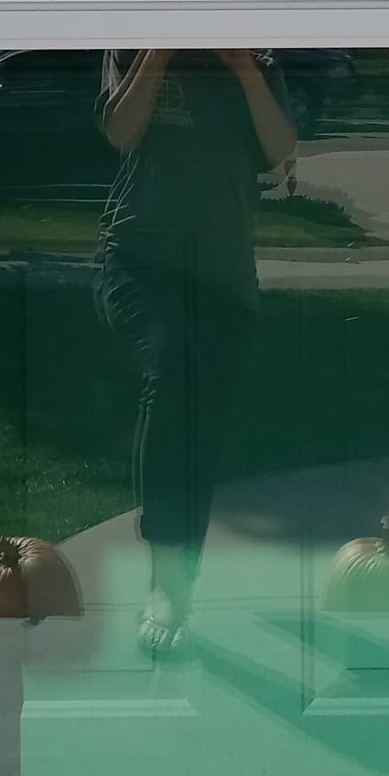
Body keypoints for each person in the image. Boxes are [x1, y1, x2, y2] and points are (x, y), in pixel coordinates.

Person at [96, 39, 297, 657]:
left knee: (202, 421)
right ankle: (166, 576)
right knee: (174, 372)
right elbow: (120, 132)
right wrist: (161, 48)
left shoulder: (255, 56)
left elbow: (280, 149)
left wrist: (241, 68)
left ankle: (180, 575)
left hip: (225, 275)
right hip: (139, 259)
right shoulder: (134, 44)